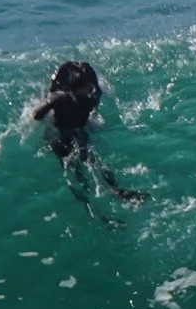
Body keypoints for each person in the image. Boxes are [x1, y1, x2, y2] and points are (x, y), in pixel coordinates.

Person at [30, 61, 144, 205]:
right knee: (82, 168)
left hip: (70, 134)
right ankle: (96, 199)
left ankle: (112, 191)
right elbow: (37, 115)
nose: (92, 90)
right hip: (64, 137)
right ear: (77, 88)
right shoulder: (71, 99)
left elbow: (37, 115)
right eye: (88, 87)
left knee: (91, 161)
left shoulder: (78, 98)